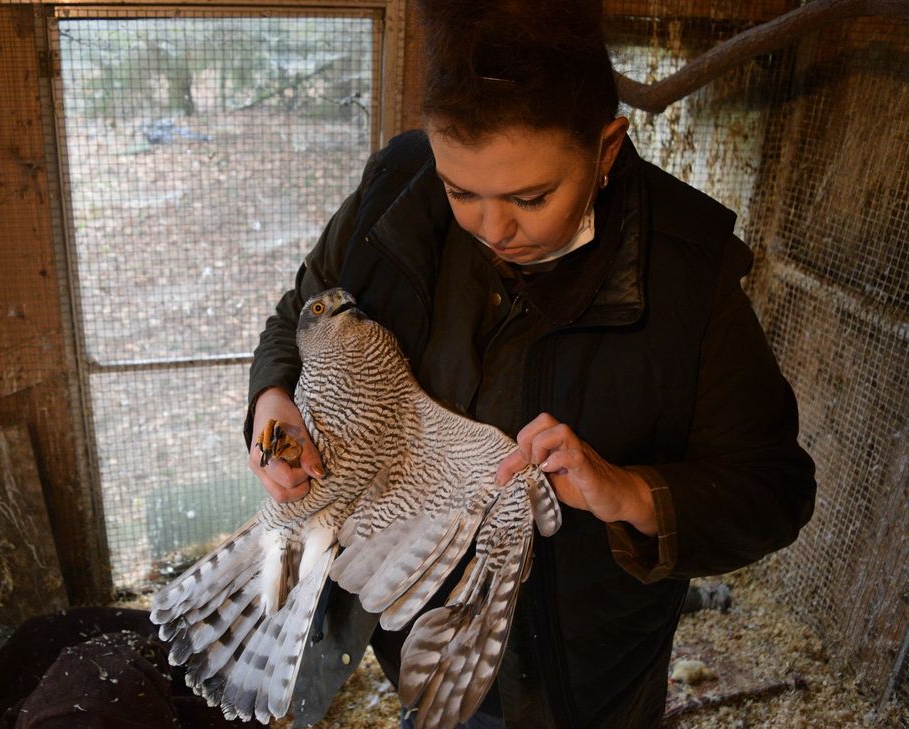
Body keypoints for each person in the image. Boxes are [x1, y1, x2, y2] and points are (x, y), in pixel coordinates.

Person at [244, 2, 817, 727]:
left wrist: (631, 492)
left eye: (532, 196)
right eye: (462, 190)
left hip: (577, 681)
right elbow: (299, 314)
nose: (493, 228)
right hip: (413, 627)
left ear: (606, 149)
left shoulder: (687, 276)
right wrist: (270, 401)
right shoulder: (398, 191)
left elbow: (776, 490)